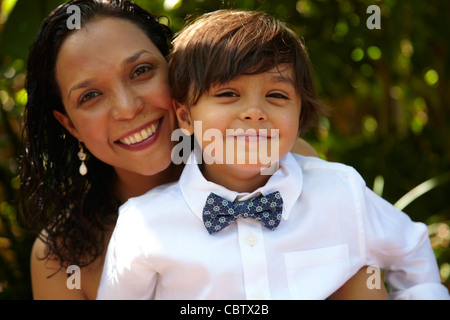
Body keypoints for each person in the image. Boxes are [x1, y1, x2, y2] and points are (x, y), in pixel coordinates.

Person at [96, 10, 449, 300]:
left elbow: (413, 253)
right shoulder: (143, 225)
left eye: (277, 95)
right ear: (185, 116)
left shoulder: (340, 192)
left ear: (300, 115)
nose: (254, 111)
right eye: (228, 94)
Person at [19, 0, 357, 300]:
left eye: (141, 71)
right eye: (90, 96)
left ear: (177, 71)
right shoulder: (60, 258)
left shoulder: (281, 161)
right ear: (70, 125)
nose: (126, 108)